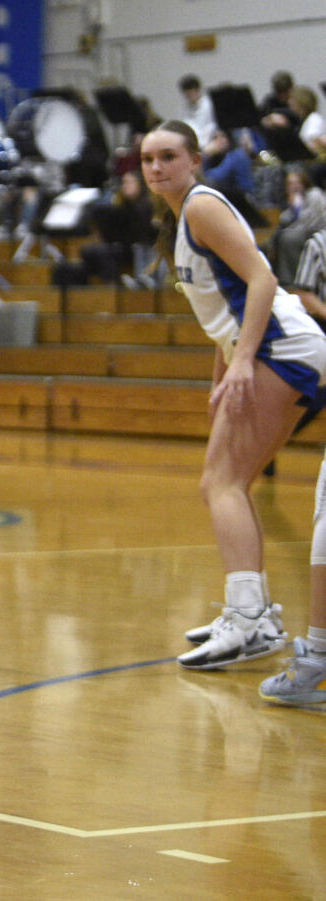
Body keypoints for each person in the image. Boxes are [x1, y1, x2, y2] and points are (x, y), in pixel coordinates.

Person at [138, 120, 326, 671]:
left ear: (194, 160)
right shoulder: (182, 218)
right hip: (278, 349)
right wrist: (220, 371)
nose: (156, 167)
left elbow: (263, 280)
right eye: (148, 159)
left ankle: (247, 619)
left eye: (168, 156)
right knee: (231, 482)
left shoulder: (201, 206)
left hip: (282, 348)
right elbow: (228, 306)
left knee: (220, 481)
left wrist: (243, 358)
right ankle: (256, 615)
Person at [267, 165, 326, 286]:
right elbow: (284, 220)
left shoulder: (314, 194)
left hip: (316, 231)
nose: (293, 186)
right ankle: (280, 278)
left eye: (296, 182)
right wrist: (294, 207)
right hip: (301, 232)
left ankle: (294, 280)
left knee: (288, 239)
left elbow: (311, 222)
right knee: (274, 240)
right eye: (289, 183)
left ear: (304, 182)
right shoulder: (294, 199)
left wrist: (298, 208)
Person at [178, 74, 217, 148]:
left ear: (198, 90)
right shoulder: (185, 107)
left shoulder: (209, 105)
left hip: (209, 142)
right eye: (186, 94)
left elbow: (211, 127)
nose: (188, 96)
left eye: (190, 93)